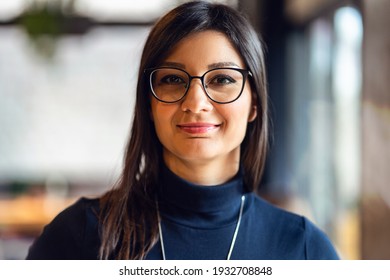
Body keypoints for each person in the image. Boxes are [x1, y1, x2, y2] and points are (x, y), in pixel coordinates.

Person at [26, 1, 339, 260]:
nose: (196, 103)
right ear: (149, 104)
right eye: (173, 80)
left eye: (222, 79)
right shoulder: (79, 236)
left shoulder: (304, 250)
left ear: (254, 103)